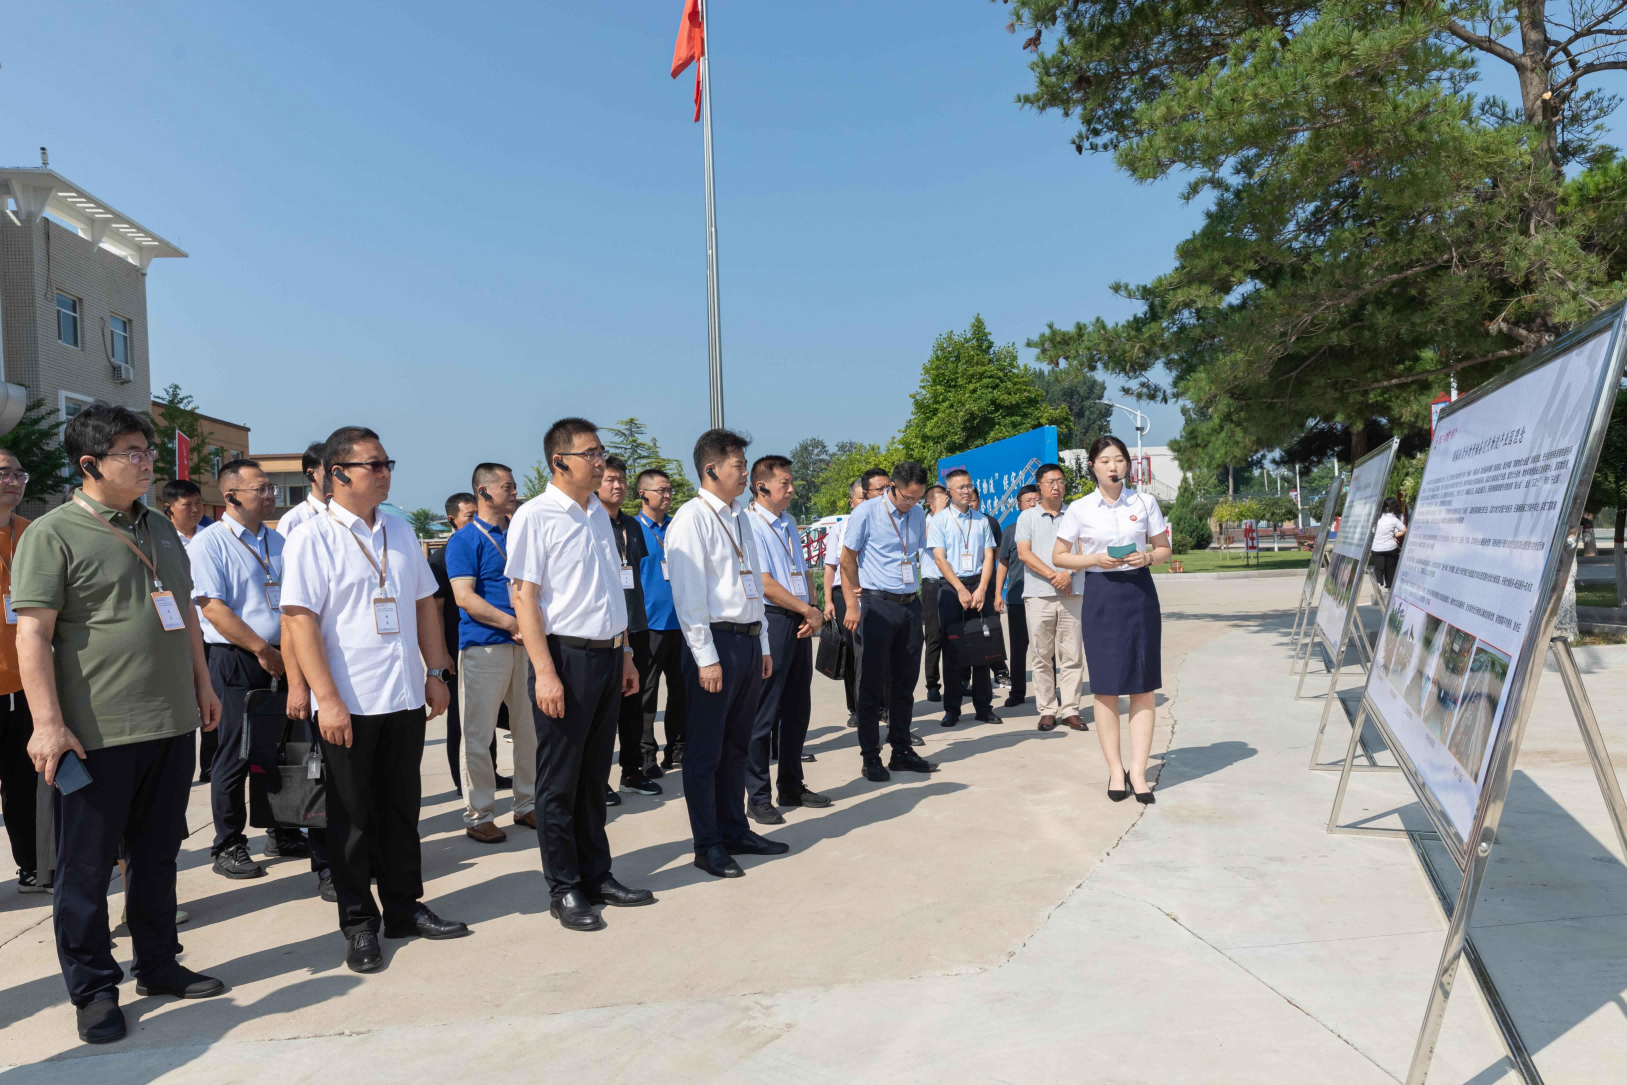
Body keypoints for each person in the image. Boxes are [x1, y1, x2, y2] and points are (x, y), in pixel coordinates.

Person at [15, 405, 225, 1044]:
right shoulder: (52, 534)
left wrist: (202, 684)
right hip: (94, 734)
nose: (145, 462)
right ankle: (93, 990)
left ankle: (158, 964)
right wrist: (47, 725)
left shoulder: (159, 526)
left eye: (146, 450)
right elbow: (33, 635)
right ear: (90, 464)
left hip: (169, 722)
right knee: (85, 870)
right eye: (130, 452)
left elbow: (185, 614)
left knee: (158, 856)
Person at [281, 426, 470, 973]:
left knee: (400, 811)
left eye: (388, 463)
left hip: (403, 693)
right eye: (374, 464)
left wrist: (435, 671)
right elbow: (299, 621)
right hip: (349, 700)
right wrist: (326, 698)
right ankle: (359, 922)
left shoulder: (400, 530)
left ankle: (404, 909)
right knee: (351, 818)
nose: (385, 472)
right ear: (338, 474)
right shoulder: (312, 537)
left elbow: (425, 604)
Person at [506, 417, 654, 931]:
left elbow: (611, 592)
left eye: (601, 452)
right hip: (565, 659)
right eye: (589, 454)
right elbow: (523, 597)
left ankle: (597, 874)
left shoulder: (598, 515)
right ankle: (564, 887)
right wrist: (545, 672)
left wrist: (626, 652)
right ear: (559, 462)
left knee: (594, 777)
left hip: (609, 656)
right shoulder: (536, 516)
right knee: (560, 781)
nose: (599, 462)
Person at [191, 459, 327, 892]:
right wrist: (261, 650)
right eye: (262, 489)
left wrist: (284, 654)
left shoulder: (279, 540)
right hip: (238, 658)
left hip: (285, 655)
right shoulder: (209, 543)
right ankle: (228, 843)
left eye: (271, 488)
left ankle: (283, 829)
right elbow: (212, 607)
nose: (271, 495)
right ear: (231, 496)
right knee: (235, 751)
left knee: (283, 749)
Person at [667, 429, 790, 879]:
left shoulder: (741, 517)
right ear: (711, 469)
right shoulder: (691, 519)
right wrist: (706, 657)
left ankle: (736, 830)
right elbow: (688, 596)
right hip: (715, 644)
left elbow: (751, 585)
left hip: (747, 641)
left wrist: (761, 643)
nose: (745, 474)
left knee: (737, 744)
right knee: (706, 751)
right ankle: (708, 844)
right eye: (738, 465)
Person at [1051, 436, 1172, 804]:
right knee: (1105, 686)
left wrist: (1148, 557)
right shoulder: (1080, 508)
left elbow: (1164, 549)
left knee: (1142, 685)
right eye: (1105, 460)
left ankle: (1138, 771)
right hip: (1101, 595)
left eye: (1119, 459)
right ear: (1092, 466)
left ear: (1127, 465)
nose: (1113, 466)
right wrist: (1093, 559)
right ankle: (1115, 770)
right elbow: (1059, 556)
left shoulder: (1145, 502)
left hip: (1139, 594)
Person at [445, 464, 538, 843]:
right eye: (507, 486)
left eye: (514, 486)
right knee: (478, 733)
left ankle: (527, 803)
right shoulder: (465, 539)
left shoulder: (518, 534)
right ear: (483, 492)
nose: (514, 492)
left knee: (529, 730)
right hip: (484, 645)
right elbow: (464, 597)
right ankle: (479, 814)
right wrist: (512, 623)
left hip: (525, 644)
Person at [839, 461, 939, 781]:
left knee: (905, 684)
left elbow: (917, 554)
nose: (912, 503)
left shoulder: (917, 514)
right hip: (877, 605)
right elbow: (846, 559)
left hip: (910, 606)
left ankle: (901, 750)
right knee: (871, 685)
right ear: (893, 487)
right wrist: (856, 600)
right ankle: (870, 756)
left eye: (918, 498)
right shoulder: (866, 513)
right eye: (908, 497)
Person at [745, 454, 830, 825]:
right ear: (761, 486)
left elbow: (802, 570)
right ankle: (758, 796)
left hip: (800, 617)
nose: (792, 489)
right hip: (772, 619)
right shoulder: (749, 524)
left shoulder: (789, 522)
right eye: (785, 483)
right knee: (764, 712)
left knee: (797, 707)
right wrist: (805, 609)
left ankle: (792, 784)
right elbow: (764, 583)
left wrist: (813, 608)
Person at [599, 456, 661, 799]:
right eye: (610, 479)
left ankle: (632, 771)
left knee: (634, 706)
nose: (618, 485)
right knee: (604, 710)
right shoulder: (591, 524)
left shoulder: (632, 526)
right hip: (606, 630)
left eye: (622, 479)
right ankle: (598, 780)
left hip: (636, 625)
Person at [928, 469, 1000, 728]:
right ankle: (952, 708)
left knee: (983, 648)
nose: (967, 491)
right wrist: (959, 588)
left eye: (969, 486)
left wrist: (982, 588)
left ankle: (984, 708)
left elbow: (989, 556)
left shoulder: (981, 520)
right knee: (953, 651)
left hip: (979, 585)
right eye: (961, 487)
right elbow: (939, 558)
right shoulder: (939, 521)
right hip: (951, 589)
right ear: (949, 492)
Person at [1018, 463, 1088, 732]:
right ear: (1039, 486)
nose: (1056, 486)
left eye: (1060, 481)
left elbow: (1084, 550)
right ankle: (1047, 709)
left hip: (1072, 592)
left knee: (1072, 655)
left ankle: (1071, 709)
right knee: (1041, 656)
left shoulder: (1076, 515)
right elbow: (1024, 553)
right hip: (1039, 595)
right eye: (1050, 482)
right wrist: (1053, 576)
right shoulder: (1028, 517)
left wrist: (1068, 574)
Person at [0, 451, 41, 893]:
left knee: (24, 784)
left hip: (26, 683)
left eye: (18, 473)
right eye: (3, 473)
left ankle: (32, 866)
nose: (14, 480)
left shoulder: (33, 534)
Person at [632, 468, 687, 774]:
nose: (667, 495)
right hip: (648, 626)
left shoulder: (678, 528)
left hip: (681, 623)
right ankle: (646, 755)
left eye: (669, 490)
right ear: (643, 494)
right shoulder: (632, 530)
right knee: (646, 696)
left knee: (681, 692)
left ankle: (677, 749)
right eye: (661, 490)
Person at [821, 478, 868, 724]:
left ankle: (880, 705)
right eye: (862, 497)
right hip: (844, 594)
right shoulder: (839, 529)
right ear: (852, 502)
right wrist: (828, 601)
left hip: (872, 593)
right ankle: (855, 707)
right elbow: (830, 568)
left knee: (875, 650)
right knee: (851, 651)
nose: (866, 501)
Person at [995, 485, 1040, 709]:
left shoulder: (1046, 527)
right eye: (1027, 501)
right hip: (1017, 596)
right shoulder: (1010, 530)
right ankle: (1018, 692)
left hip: (1043, 596)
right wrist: (998, 593)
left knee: (1045, 649)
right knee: (1018, 649)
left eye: (1036, 500)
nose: (1032, 504)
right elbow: (1003, 563)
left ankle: (1047, 692)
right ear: (1019, 505)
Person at [919, 483, 950, 702]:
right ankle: (932, 684)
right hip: (932, 584)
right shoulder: (924, 522)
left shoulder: (952, 520)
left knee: (955, 635)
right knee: (934, 636)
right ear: (930, 504)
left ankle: (959, 680)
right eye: (941, 499)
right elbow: (928, 540)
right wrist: (938, 512)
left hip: (953, 582)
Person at [276, 442, 329, 536]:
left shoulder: (345, 515)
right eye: (329, 470)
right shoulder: (292, 521)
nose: (336, 476)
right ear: (311, 473)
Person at [1371, 497, 1407, 589]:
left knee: (1379, 568)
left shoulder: (1374, 519)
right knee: (1391, 569)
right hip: (1391, 547)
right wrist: (1394, 535)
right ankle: (1390, 587)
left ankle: (1379, 584)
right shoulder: (1395, 518)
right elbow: (1404, 530)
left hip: (1376, 548)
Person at [161, 479, 208, 545]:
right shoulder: (159, 538)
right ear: (168, 508)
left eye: (198, 503)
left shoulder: (212, 536)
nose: (195, 509)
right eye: (187, 504)